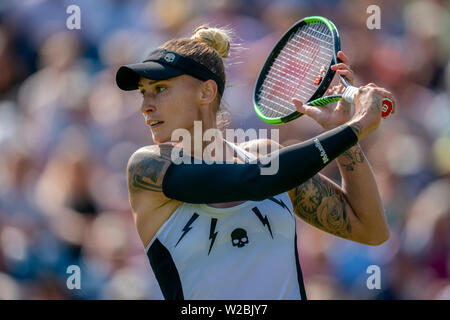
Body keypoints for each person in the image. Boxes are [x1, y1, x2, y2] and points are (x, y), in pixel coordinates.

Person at [115, 26, 395, 300]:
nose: (145, 106)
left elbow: (370, 229)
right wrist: (355, 128)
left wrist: (343, 132)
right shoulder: (147, 167)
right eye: (143, 92)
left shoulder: (266, 156)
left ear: (206, 92)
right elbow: (252, 180)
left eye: (160, 88)